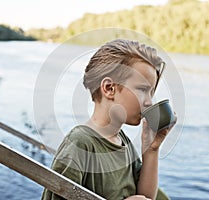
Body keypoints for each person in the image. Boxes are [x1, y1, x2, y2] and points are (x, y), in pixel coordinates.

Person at [42, 39, 176, 200]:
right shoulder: (80, 144)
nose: (149, 102)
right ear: (109, 88)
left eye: (151, 93)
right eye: (142, 90)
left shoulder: (123, 142)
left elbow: (145, 197)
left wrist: (151, 150)